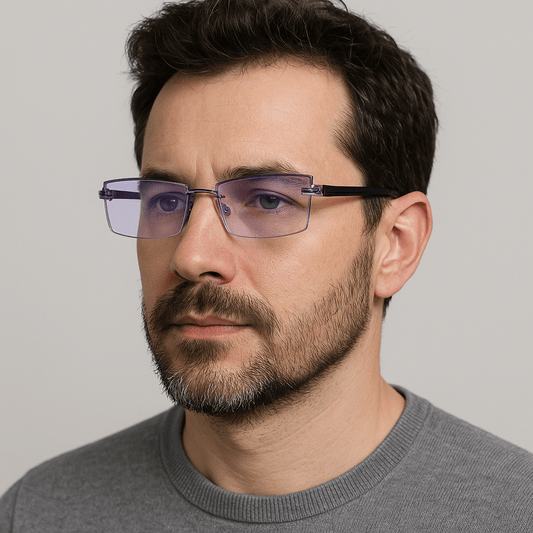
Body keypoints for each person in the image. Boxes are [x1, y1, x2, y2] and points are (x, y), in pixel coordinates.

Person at [1, 0, 532, 530]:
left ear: (395, 243)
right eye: (166, 201)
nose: (192, 256)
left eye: (268, 200)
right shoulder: (38, 514)